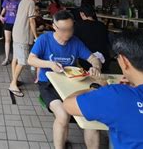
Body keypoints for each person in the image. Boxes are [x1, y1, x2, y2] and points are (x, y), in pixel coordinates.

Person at [28, 10, 102, 149]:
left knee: (91, 114)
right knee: (62, 115)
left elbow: (93, 58)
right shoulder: (45, 39)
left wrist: (95, 67)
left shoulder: (75, 42)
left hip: (72, 84)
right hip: (48, 84)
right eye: (63, 30)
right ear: (54, 26)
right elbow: (31, 59)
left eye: (70, 28)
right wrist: (50, 64)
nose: (67, 33)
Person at [8, 0, 40, 97]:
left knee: (16, 58)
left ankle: (14, 80)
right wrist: (36, 36)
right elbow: (32, 20)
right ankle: (13, 84)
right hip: (23, 34)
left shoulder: (23, 0)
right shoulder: (31, 3)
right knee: (22, 61)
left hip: (16, 32)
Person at [75, 4, 110, 72]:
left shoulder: (78, 25)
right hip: (104, 60)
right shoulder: (101, 25)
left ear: (82, 14)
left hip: (86, 61)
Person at [0, 0, 20, 66]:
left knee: (16, 41)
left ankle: (16, 58)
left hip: (16, 23)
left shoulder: (19, 1)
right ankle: (7, 58)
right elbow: (4, 10)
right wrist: (1, 16)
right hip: (7, 22)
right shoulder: (6, 0)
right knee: (7, 40)